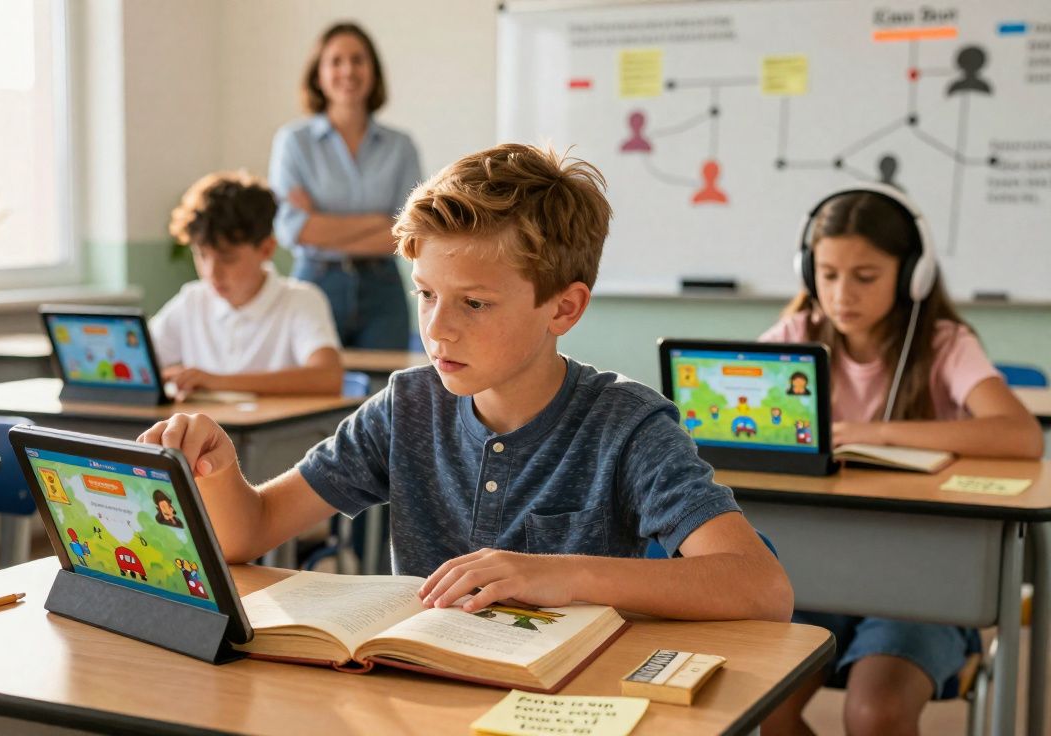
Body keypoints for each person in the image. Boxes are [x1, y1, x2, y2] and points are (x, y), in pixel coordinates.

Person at [139, 144, 792, 625]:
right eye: (425, 294)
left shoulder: (626, 425)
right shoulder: (406, 407)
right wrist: (220, 472)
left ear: (563, 309)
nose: (438, 329)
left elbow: (760, 586)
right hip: (427, 691)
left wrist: (560, 576)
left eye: (474, 304)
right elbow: (248, 533)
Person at [760, 186, 1042, 736]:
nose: (843, 294)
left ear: (912, 275)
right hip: (812, 577)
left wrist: (875, 431)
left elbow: (1021, 435)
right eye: (829, 273)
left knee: (875, 713)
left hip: (922, 582)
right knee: (762, 701)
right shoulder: (795, 337)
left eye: (865, 276)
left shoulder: (944, 343)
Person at [268, 22, 422, 350]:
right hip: (316, 283)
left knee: (385, 396)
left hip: (384, 289)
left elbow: (412, 233)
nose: (348, 70)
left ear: (373, 71)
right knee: (316, 393)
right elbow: (293, 230)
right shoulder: (294, 142)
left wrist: (322, 224)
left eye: (358, 60)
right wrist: (379, 223)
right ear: (318, 75)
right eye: (335, 61)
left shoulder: (401, 146)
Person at [150, 171, 343, 399]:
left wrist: (216, 382)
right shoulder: (191, 301)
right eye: (201, 255)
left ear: (266, 249)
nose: (212, 273)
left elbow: (327, 377)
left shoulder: (300, 300)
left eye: (227, 258)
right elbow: (139, 364)